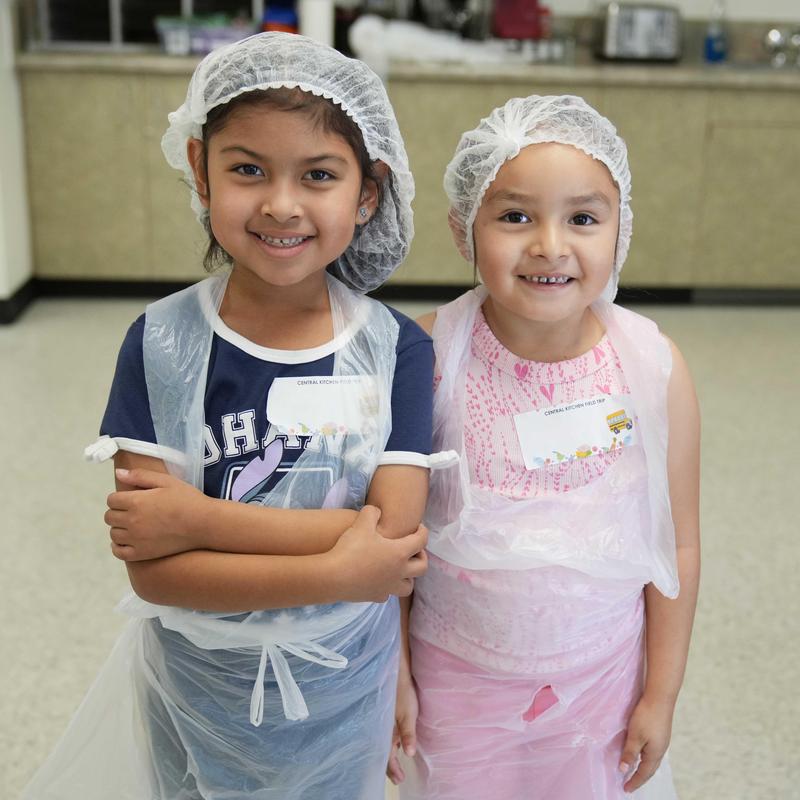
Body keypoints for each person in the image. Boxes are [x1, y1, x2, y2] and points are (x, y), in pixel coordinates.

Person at [22, 32, 439, 800]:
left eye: (319, 174)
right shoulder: (161, 343)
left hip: (346, 687)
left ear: (368, 192)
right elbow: (155, 572)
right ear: (201, 173)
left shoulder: (398, 351)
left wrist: (196, 518)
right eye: (248, 169)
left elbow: (396, 537)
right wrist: (339, 566)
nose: (282, 204)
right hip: (195, 694)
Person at [388, 95, 701, 799]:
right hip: (455, 681)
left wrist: (662, 692)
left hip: (606, 680)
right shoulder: (427, 358)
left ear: (621, 231)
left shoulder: (652, 366)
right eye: (515, 216)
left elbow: (675, 544)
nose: (551, 246)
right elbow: (393, 544)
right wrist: (394, 676)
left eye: (583, 218)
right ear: (465, 228)